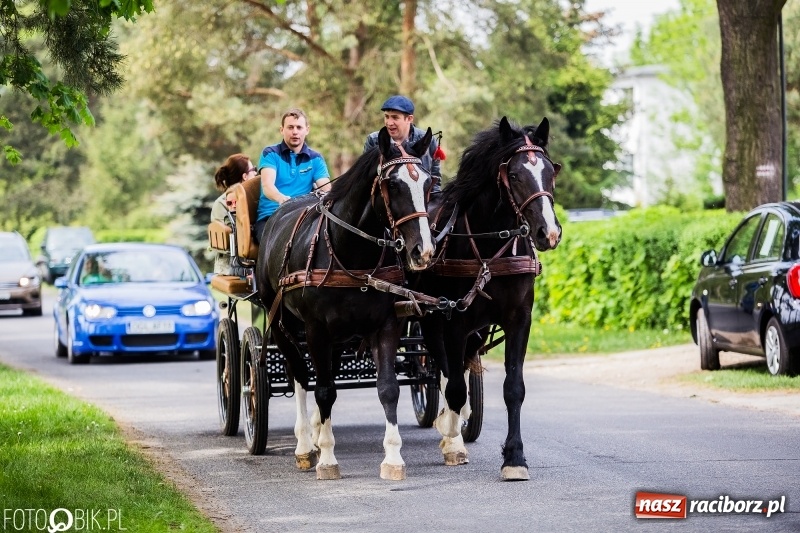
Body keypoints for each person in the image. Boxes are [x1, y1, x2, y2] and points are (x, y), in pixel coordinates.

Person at [254, 108, 331, 243]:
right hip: (271, 218)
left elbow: (326, 189)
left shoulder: (316, 159)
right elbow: (267, 186)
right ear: (281, 130)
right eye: (290, 127)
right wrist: (281, 198)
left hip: (304, 218)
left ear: (307, 130)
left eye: (299, 127)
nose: (295, 131)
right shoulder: (270, 153)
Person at [363, 95, 443, 192]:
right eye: (386, 117)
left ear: (409, 119)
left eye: (395, 118)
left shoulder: (427, 141)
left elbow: (435, 179)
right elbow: (366, 178)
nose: (389, 122)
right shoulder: (374, 140)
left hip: (422, 201)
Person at [211, 153, 257, 275]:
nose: (256, 174)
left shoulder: (254, 198)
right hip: (233, 265)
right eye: (254, 170)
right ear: (245, 176)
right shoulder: (222, 203)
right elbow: (231, 239)